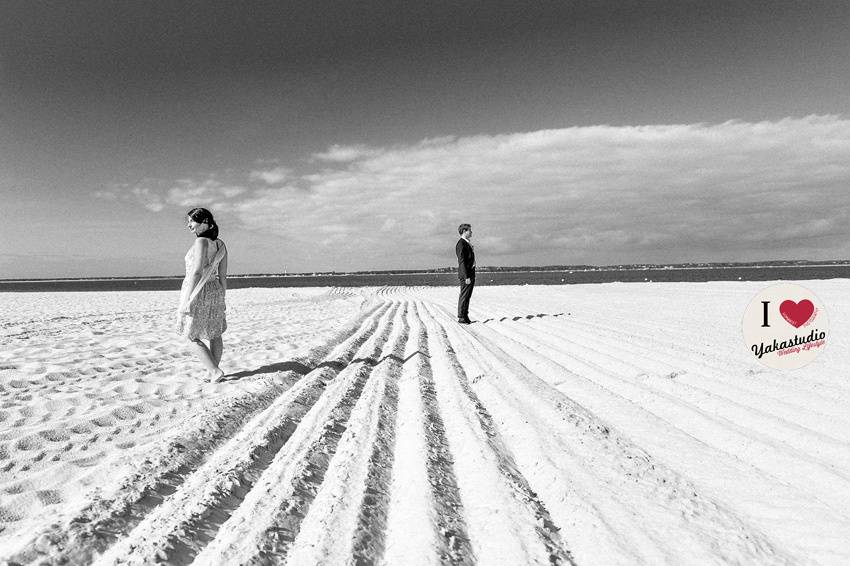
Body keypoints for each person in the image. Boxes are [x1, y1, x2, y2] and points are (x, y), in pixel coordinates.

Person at [177, 207, 228, 382]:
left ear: (205, 221)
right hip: (215, 290)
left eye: (192, 221)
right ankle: (212, 371)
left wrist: (188, 298)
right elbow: (223, 275)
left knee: (189, 334)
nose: (189, 225)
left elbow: (196, 272)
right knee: (215, 333)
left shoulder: (201, 242)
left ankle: (214, 371)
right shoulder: (220, 244)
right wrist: (223, 296)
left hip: (199, 289)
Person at [456, 223, 475, 324]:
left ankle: (465, 315)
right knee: (464, 295)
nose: (471, 232)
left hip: (470, 273)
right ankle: (461, 317)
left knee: (467, 295)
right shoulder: (461, 244)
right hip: (466, 275)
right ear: (464, 231)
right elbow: (462, 261)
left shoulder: (466, 243)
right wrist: (466, 276)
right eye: (470, 230)